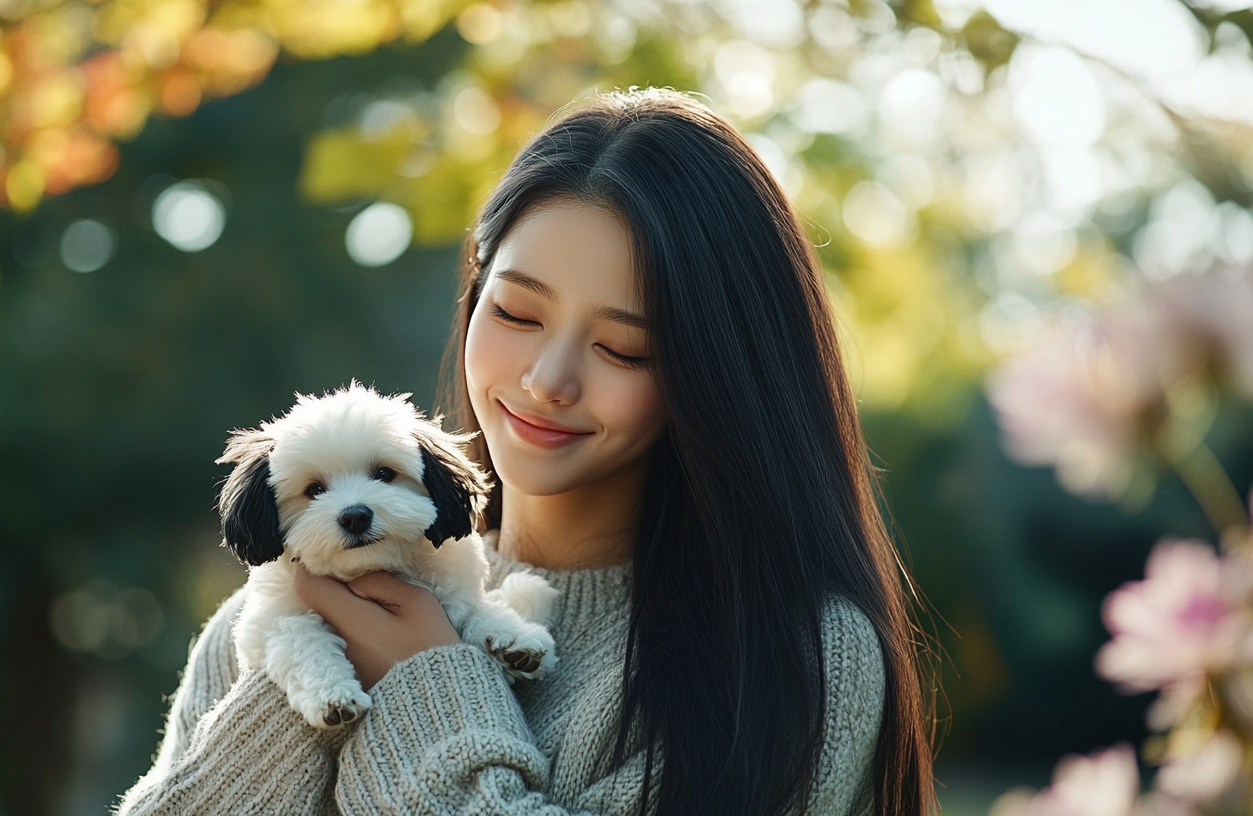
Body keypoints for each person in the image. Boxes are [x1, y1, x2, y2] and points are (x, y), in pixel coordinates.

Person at [116, 87, 938, 816]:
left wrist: (426, 687)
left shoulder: (792, 658)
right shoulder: (266, 620)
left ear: (719, 377)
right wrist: (296, 684)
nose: (548, 380)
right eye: (514, 312)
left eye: (623, 349)